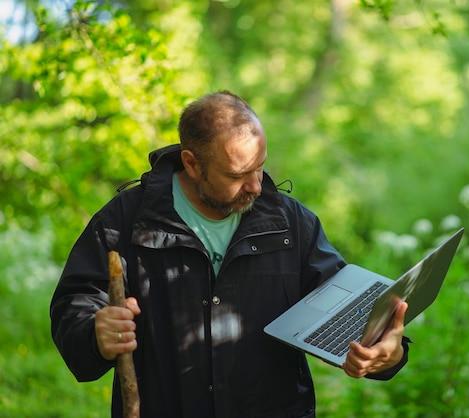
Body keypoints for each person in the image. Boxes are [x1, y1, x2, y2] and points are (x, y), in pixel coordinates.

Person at [50, 91, 411, 418]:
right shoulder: (125, 223)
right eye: (238, 174)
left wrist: (388, 351)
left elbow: (345, 306)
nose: (257, 185)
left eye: (260, 166)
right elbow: (75, 306)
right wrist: (94, 332)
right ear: (192, 164)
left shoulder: (290, 222)